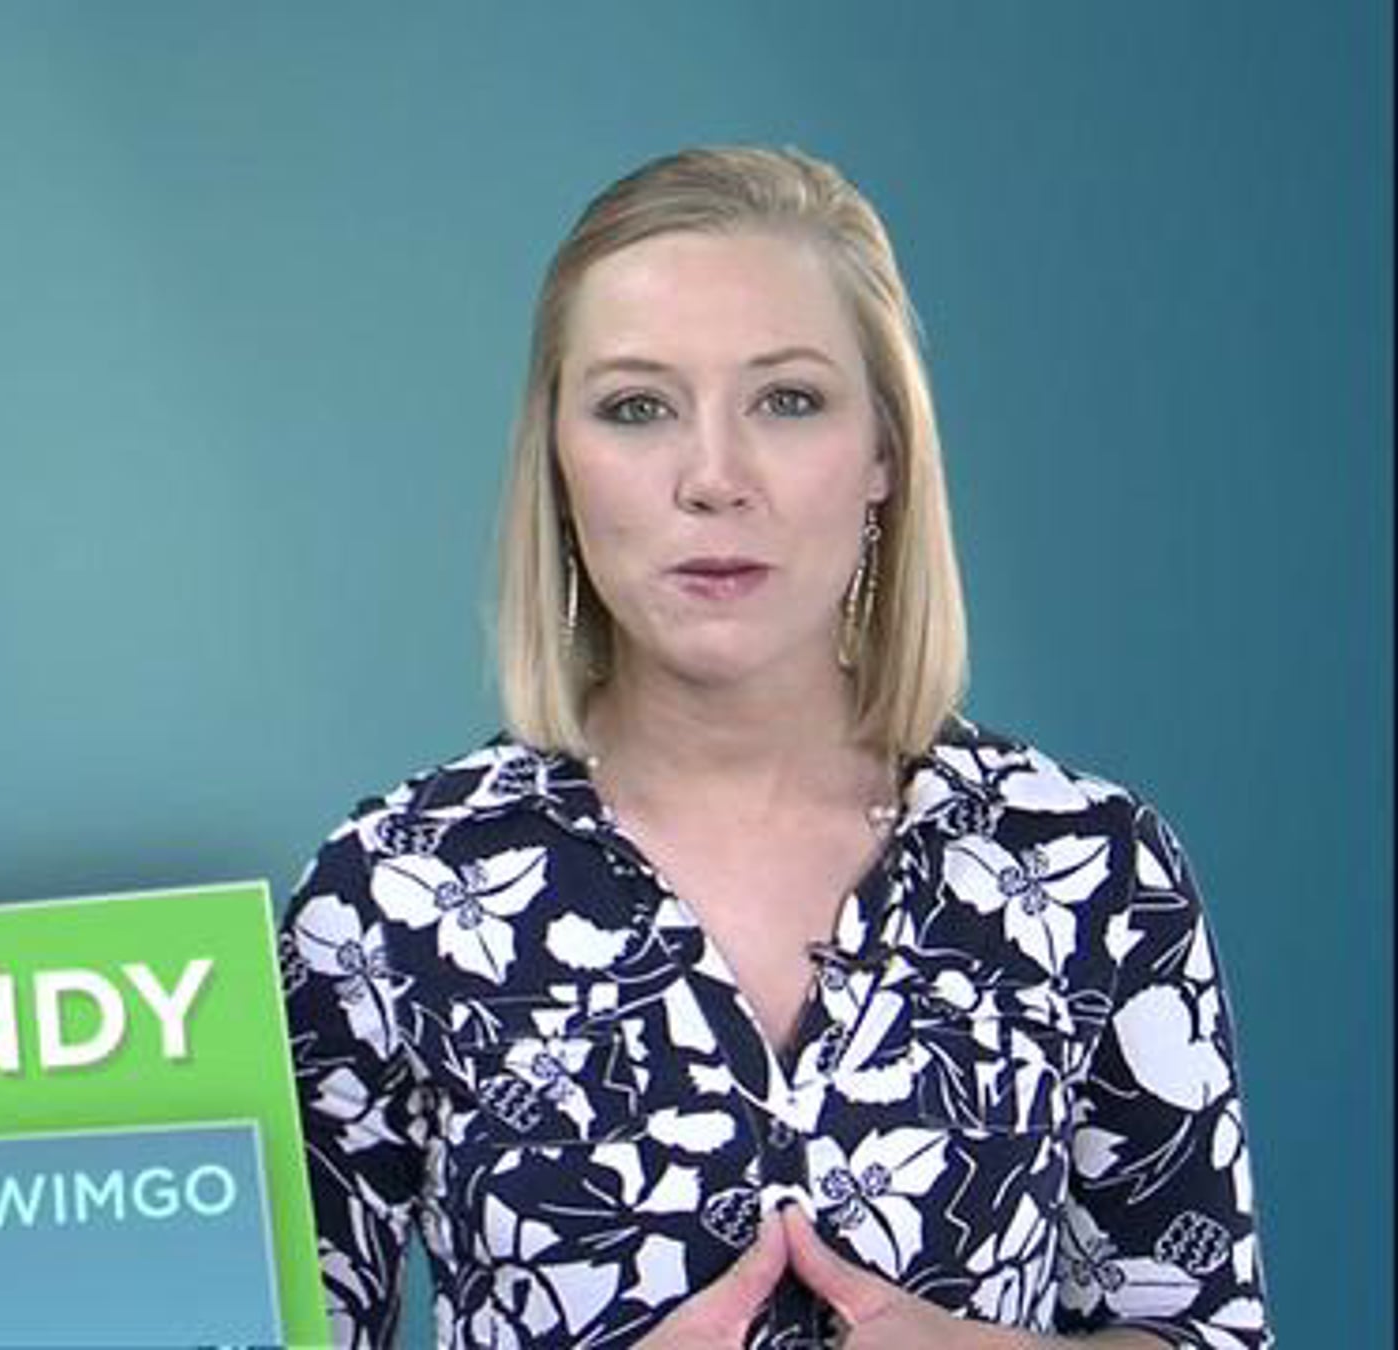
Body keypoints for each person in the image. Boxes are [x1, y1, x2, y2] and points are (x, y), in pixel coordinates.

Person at [276, 145, 1270, 1349]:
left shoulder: (1089, 869)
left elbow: (1204, 1323)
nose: (714, 477)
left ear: (885, 451)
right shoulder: (392, 894)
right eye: (637, 407)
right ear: (558, 463)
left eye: (788, 401)